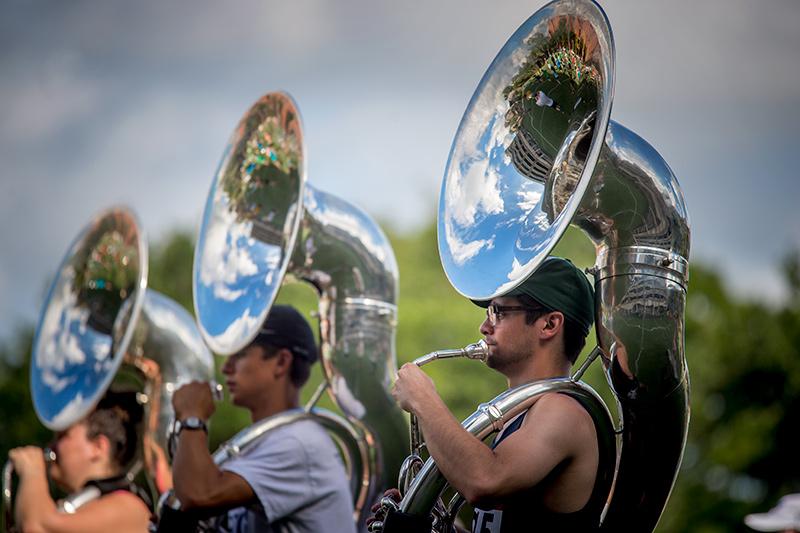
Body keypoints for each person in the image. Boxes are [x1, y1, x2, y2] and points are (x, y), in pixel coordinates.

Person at [385, 256, 610, 532]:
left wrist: (423, 399)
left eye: (498, 312)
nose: (484, 327)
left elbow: (485, 480)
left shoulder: (563, 411)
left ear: (549, 325)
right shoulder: (522, 414)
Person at [170, 304, 356, 533]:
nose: (226, 367)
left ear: (281, 362)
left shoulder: (298, 442)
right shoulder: (265, 440)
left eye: (239, 355)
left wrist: (192, 417)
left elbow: (198, 494)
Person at [8, 392, 152, 533]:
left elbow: (38, 527)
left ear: (98, 447)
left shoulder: (128, 508)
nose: (51, 446)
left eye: (63, 436)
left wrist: (33, 472)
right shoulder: (81, 507)